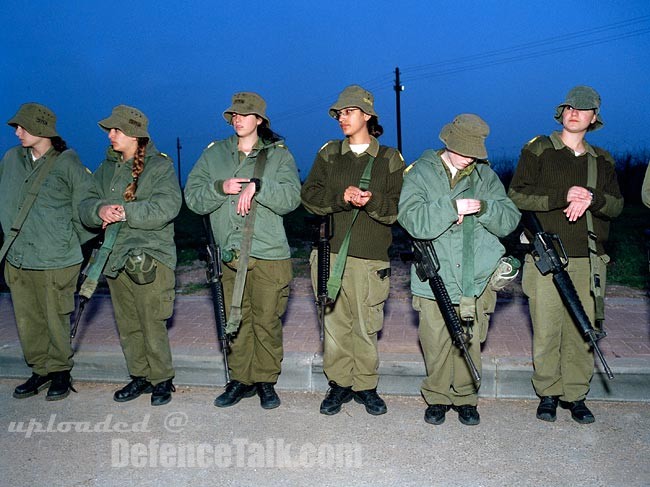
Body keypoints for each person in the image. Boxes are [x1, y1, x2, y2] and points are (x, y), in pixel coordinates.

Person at [508, 86, 623, 424]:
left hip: (588, 258)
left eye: (583, 109)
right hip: (545, 255)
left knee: (582, 329)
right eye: (570, 107)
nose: (574, 113)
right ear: (562, 113)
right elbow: (516, 195)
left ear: (594, 118)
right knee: (546, 328)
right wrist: (562, 195)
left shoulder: (602, 160)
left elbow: (617, 206)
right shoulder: (539, 149)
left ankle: (576, 395)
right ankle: (548, 393)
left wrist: (592, 198)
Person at [398, 114, 520, 426]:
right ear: (448, 142)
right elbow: (411, 219)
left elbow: (509, 220)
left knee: (471, 338)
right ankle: (437, 396)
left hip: (475, 278)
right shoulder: (420, 173)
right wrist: (452, 208)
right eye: (464, 150)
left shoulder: (486, 177)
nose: (470, 158)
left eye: (475, 152)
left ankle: (466, 398)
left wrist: (486, 207)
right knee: (435, 341)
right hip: (434, 276)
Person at [185, 92, 301, 410]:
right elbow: (192, 197)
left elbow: (292, 197)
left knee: (266, 320)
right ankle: (240, 380)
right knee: (235, 318)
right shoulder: (214, 154)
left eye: (245, 114)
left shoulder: (278, 156)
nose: (238, 118)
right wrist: (218, 187)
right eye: (234, 114)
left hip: (268, 254)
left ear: (260, 120)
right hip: (230, 255)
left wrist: (258, 186)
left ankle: (265, 381)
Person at [301, 85, 404, 416]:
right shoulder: (330, 154)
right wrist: (340, 200)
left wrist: (371, 201)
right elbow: (309, 198)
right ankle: (339, 385)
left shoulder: (389, 158)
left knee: (365, 325)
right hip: (329, 253)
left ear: (367, 115)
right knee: (333, 326)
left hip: (370, 258)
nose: (342, 118)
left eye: (349, 112)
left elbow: (400, 208)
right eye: (340, 113)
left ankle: (366, 386)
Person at [79, 105, 181, 406]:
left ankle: (162, 379)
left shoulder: (160, 166)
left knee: (152, 320)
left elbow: (167, 206)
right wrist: (98, 210)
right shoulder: (106, 168)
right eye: (110, 129)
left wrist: (126, 211)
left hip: (150, 254)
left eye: (117, 130)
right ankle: (140, 376)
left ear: (136, 135)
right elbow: (85, 201)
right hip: (114, 256)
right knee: (127, 321)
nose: (110, 135)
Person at [1, 103, 95, 401]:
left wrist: (64, 242)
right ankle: (39, 370)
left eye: (23, 127)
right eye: (16, 127)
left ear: (42, 130)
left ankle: (60, 373)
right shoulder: (11, 159)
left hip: (56, 260)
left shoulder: (67, 162)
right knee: (28, 320)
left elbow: (86, 207)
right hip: (18, 257)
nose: (17, 132)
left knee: (55, 318)